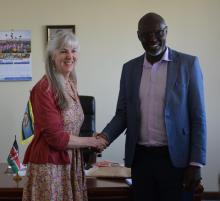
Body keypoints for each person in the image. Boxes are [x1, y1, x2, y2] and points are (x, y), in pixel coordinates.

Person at [98, 12, 207, 201]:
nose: (152, 39)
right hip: (141, 160)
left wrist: (196, 163)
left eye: (158, 32)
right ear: (138, 36)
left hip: (176, 161)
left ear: (166, 31)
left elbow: (198, 117)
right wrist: (103, 138)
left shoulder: (188, 64)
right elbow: (123, 114)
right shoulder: (129, 68)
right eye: (146, 34)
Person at [22, 30, 107, 201]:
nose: (70, 56)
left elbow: (70, 125)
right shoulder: (44, 88)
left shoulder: (70, 83)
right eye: (63, 51)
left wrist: (92, 136)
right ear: (52, 56)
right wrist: (92, 141)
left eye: (73, 50)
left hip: (71, 162)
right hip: (50, 167)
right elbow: (55, 137)